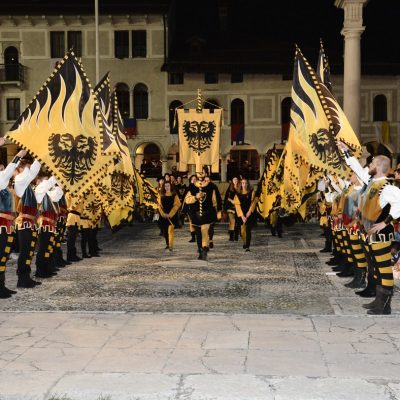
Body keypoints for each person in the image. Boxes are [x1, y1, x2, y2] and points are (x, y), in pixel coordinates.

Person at [338, 141, 400, 315]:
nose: (369, 166)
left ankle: (385, 305)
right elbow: (358, 170)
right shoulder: (373, 182)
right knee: (375, 267)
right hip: (370, 233)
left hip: (380, 235)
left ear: (379, 167)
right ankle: (378, 300)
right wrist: (346, 152)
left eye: (372, 164)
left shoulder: (387, 187)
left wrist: (385, 222)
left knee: (384, 268)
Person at [0, 146, 26, 297]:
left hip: (6, 225)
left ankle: (1, 285)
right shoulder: (1, 180)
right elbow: (9, 170)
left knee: (3, 256)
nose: (3, 170)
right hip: (2, 225)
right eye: (1, 168)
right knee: (1, 255)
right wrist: (18, 156)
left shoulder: (3, 183)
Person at [14, 157, 42, 288]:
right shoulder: (19, 180)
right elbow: (27, 174)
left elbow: (31, 173)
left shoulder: (27, 183)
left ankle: (26, 277)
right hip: (24, 221)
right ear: (20, 169)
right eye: (26, 168)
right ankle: (22, 279)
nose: (29, 171)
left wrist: (39, 159)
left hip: (29, 222)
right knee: (25, 251)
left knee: (30, 250)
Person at [185, 171, 221, 260]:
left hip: (207, 213)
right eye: (199, 172)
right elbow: (187, 200)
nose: (201, 174)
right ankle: (200, 249)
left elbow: (215, 200)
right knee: (198, 234)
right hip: (196, 214)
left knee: (204, 230)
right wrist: (195, 197)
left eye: (203, 172)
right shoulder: (192, 187)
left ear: (205, 173)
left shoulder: (211, 186)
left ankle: (204, 248)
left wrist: (217, 212)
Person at [233, 178, 259, 251]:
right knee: (242, 231)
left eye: (245, 183)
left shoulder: (251, 192)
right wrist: (242, 216)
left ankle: (247, 246)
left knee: (248, 230)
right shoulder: (238, 194)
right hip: (241, 214)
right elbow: (237, 206)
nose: (244, 184)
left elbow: (253, 203)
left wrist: (249, 212)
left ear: (247, 184)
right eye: (243, 183)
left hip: (249, 213)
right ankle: (244, 242)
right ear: (241, 184)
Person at [158, 181, 181, 251]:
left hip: (172, 215)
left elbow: (177, 205)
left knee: (170, 230)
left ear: (170, 186)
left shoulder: (174, 195)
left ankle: (171, 245)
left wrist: (170, 214)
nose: (167, 187)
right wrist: (163, 214)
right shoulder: (161, 195)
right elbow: (159, 205)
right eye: (165, 186)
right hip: (164, 215)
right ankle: (167, 244)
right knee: (165, 231)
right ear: (163, 187)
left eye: (168, 186)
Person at [204, 175, 222, 249]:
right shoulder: (202, 188)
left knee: (211, 226)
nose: (207, 182)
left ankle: (210, 240)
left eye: (208, 180)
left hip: (212, 208)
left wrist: (219, 209)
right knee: (205, 226)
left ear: (210, 181)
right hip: (204, 209)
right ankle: (205, 241)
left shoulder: (214, 187)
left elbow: (218, 198)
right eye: (205, 180)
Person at [224, 176, 239, 241]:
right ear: (232, 181)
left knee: (237, 222)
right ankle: (231, 236)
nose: (235, 181)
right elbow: (227, 197)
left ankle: (236, 235)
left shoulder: (240, 188)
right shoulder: (230, 188)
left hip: (238, 207)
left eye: (236, 179)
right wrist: (231, 201)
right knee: (232, 221)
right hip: (231, 207)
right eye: (234, 179)